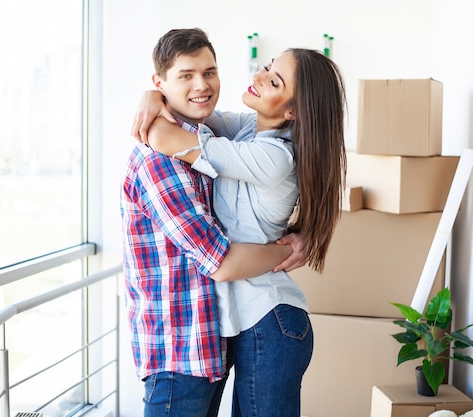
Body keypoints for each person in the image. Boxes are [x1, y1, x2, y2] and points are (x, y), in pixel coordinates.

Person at [131, 44, 347, 417]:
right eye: (266, 68)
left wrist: (158, 103)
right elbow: (191, 115)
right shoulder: (249, 128)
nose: (258, 78)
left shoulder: (275, 157)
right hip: (252, 324)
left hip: (269, 322)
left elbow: (167, 137)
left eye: (274, 80)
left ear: (293, 110)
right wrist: (153, 94)